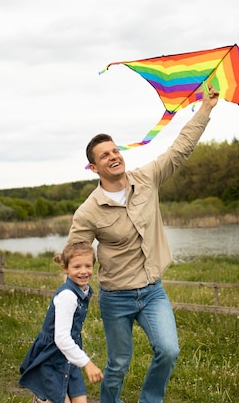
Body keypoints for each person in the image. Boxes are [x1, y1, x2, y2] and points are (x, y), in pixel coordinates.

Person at [67, 84, 220, 403]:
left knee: (169, 350)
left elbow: (180, 149)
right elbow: (76, 256)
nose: (113, 157)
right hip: (116, 296)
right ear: (94, 168)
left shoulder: (147, 178)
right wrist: (71, 300)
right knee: (119, 364)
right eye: (104, 156)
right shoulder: (88, 211)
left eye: (115, 151)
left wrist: (204, 109)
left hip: (152, 290)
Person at [19, 241, 104, 403]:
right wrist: (87, 363)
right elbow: (61, 338)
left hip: (68, 357)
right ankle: (41, 400)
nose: (83, 271)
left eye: (88, 266)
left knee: (80, 400)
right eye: (77, 267)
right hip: (51, 356)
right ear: (65, 268)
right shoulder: (68, 296)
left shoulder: (83, 291)